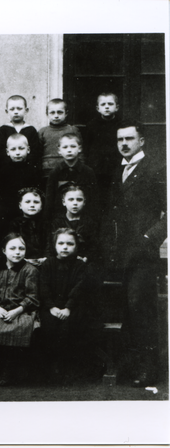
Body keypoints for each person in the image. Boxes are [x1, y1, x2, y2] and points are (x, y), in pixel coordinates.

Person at [103, 120, 166, 387]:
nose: (124, 144)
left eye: (129, 139)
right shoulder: (116, 170)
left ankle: (149, 369)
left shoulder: (156, 169)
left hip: (142, 254)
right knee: (125, 310)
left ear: (142, 141)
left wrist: (148, 239)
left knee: (141, 309)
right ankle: (127, 366)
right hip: (118, 254)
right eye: (120, 140)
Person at [39, 228, 88, 383]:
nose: (65, 247)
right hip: (51, 306)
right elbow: (43, 287)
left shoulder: (80, 266)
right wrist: (52, 307)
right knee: (49, 326)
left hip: (72, 306)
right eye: (61, 243)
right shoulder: (48, 264)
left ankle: (68, 367)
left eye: (70, 244)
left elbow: (80, 288)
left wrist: (68, 308)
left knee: (70, 327)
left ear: (76, 246)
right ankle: (52, 368)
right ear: (55, 246)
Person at [0, 233, 39, 386]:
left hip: (22, 310)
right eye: (12, 248)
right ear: (4, 251)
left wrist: (16, 311)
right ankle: (3, 369)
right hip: (1, 309)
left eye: (21, 248)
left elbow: (32, 297)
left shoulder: (30, 270)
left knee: (21, 328)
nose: (17, 252)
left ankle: (16, 369)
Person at [44, 133, 98, 224]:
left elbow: (94, 199)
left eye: (73, 146)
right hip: (61, 219)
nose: (69, 150)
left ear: (79, 148)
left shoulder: (88, 172)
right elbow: (50, 200)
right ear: (59, 150)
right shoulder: (55, 173)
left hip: (84, 219)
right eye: (65, 147)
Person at [83, 92, 122, 209]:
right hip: (97, 169)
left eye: (110, 104)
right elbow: (87, 147)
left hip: (115, 167)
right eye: (103, 104)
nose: (106, 106)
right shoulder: (91, 125)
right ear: (97, 108)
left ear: (117, 107)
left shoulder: (121, 125)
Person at [0, 133, 40, 220]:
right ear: (7, 152)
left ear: (28, 149)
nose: (17, 152)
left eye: (21, 148)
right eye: (13, 149)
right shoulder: (3, 171)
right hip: (9, 211)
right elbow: (0, 192)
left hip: (28, 210)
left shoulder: (33, 170)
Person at [48, 184, 98, 262]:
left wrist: (86, 258)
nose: (75, 203)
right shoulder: (57, 222)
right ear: (64, 202)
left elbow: (93, 246)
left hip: (82, 261)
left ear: (84, 202)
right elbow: (51, 245)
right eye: (71, 199)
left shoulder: (89, 222)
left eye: (79, 200)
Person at [38, 99, 82, 178]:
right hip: (48, 171)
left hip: (69, 169)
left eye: (60, 112)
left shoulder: (72, 130)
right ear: (47, 114)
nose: (56, 115)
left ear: (66, 113)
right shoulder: (42, 131)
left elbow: (80, 153)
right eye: (52, 112)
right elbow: (38, 154)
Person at [0, 95, 42, 171]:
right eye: (12, 109)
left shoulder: (31, 130)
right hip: (8, 169)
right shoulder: (3, 129)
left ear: (26, 110)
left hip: (27, 169)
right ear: (7, 111)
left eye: (19, 108)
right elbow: (1, 150)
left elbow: (35, 151)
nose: (16, 112)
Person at [9, 187, 47, 266]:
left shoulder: (45, 223)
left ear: (41, 206)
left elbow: (49, 243)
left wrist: (45, 258)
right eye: (28, 202)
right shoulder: (15, 223)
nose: (32, 205)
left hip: (43, 261)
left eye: (36, 202)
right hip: (21, 261)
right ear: (20, 205)